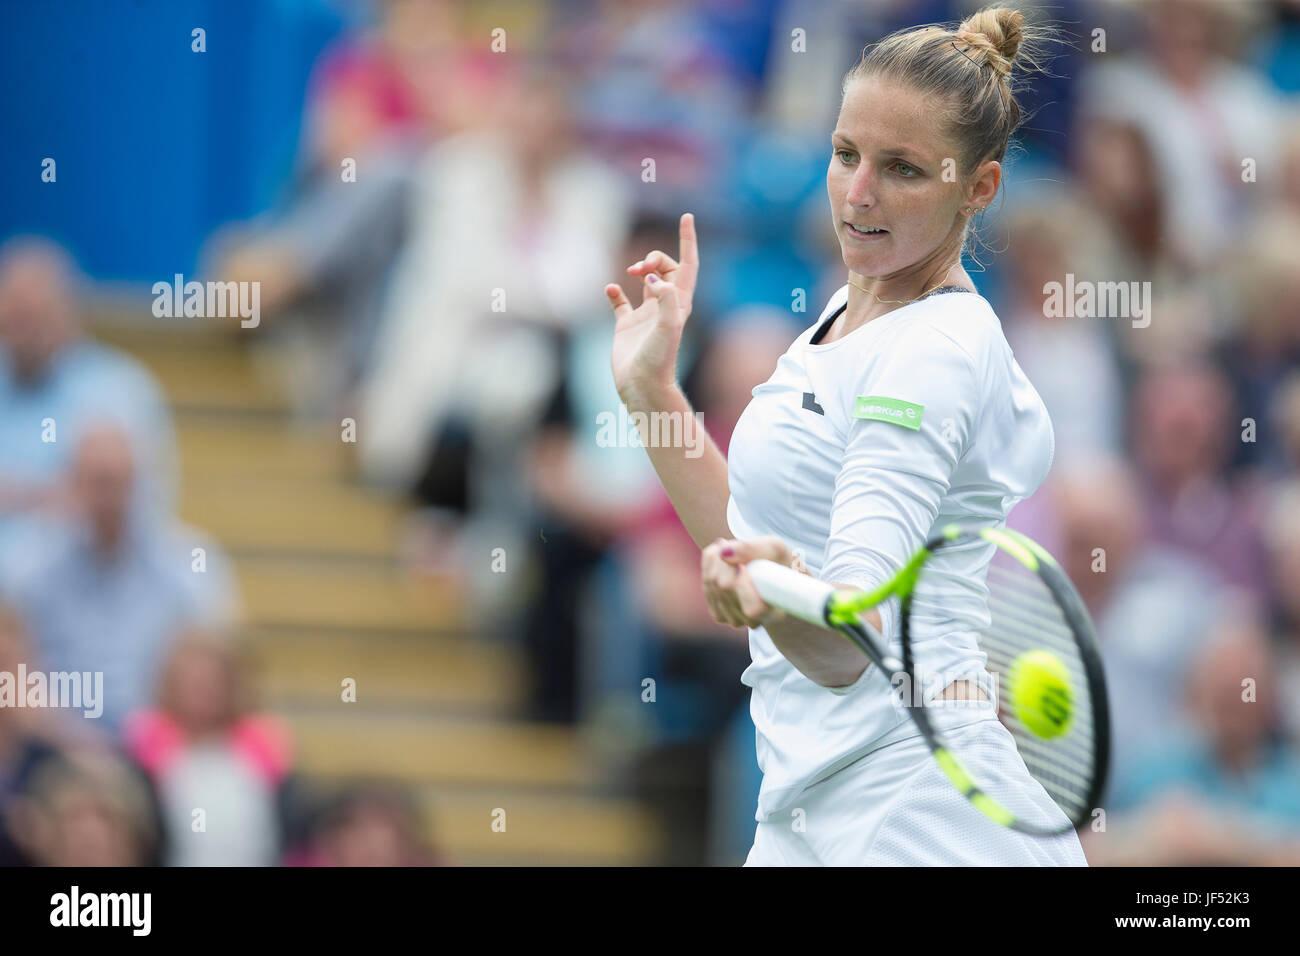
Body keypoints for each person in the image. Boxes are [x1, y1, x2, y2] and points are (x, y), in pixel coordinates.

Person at [604, 7, 1085, 865]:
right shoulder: (847, 310)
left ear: (979, 188)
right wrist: (652, 391)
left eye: (901, 168)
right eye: (844, 154)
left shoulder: (933, 354)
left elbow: (842, 639)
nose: (858, 192)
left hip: (920, 816)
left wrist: (771, 588)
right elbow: (755, 542)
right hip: (809, 803)